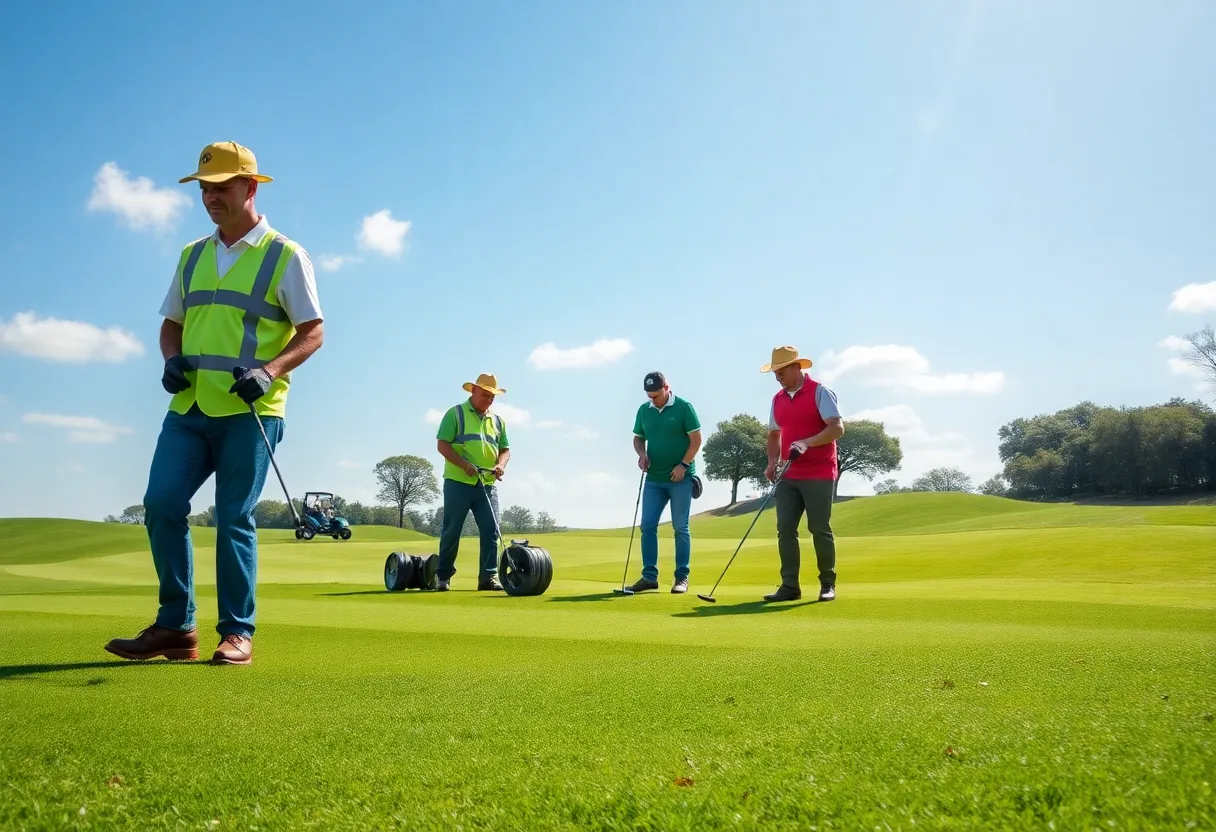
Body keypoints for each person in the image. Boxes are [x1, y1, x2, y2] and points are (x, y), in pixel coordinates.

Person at [104, 142, 324, 666]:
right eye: (204, 188)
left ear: (250, 187)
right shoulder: (192, 255)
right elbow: (171, 325)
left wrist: (269, 371)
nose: (210, 197)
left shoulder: (285, 255)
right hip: (188, 407)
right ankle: (176, 628)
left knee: (233, 516)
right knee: (161, 504)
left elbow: (313, 332)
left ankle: (237, 633)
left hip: (251, 413)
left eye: (221, 187)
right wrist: (170, 359)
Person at [761, 346, 844, 603]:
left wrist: (807, 442)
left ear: (797, 367)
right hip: (789, 474)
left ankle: (827, 583)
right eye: (775, 373)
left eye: (782, 371)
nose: (778, 377)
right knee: (785, 528)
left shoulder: (820, 392)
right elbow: (773, 434)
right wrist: (772, 462)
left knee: (819, 528)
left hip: (819, 471)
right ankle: (790, 586)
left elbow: (836, 428)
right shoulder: (777, 399)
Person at [434, 373, 512, 591]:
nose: (489, 399)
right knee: (452, 529)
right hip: (458, 482)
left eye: (492, 396)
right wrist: (463, 464)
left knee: (491, 529)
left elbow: (505, 449)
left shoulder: (498, 421)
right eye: (486, 395)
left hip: (487, 484)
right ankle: (443, 577)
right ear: (474, 391)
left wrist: (501, 465)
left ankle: (488, 578)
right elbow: (442, 445)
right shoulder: (455, 414)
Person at [628, 371, 703, 594]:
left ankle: (681, 578)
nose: (653, 400)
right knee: (647, 525)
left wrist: (683, 465)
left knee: (680, 527)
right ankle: (649, 577)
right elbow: (638, 437)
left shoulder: (684, 407)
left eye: (656, 395)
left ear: (666, 388)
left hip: (680, 478)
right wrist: (642, 454)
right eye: (649, 396)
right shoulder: (644, 410)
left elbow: (696, 440)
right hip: (654, 479)